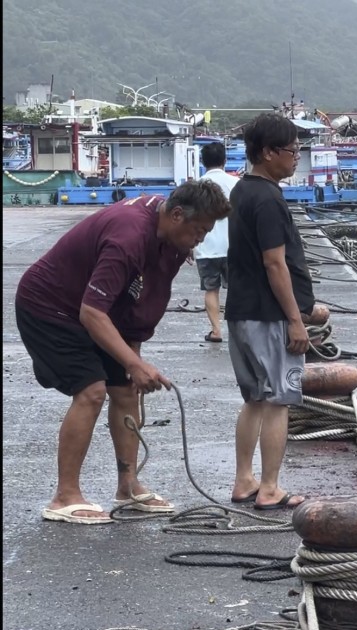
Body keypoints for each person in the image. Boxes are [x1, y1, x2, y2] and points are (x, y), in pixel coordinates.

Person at [15, 182, 232, 524]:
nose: (202, 239)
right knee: (91, 390)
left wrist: (134, 362)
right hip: (50, 306)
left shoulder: (173, 241)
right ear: (177, 215)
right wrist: (133, 362)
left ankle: (128, 486)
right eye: (200, 230)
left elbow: (143, 302)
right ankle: (64, 496)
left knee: (127, 390)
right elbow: (92, 312)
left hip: (97, 310)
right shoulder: (128, 236)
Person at [225, 113, 312, 510]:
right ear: (267, 153)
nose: (297, 158)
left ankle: (245, 479)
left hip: (241, 311)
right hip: (269, 315)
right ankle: (271, 487)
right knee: (279, 401)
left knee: (255, 400)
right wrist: (296, 319)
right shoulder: (269, 199)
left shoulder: (243, 191)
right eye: (292, 151)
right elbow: (275, 263)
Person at [195, 142, 239, 343]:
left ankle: (216, 331)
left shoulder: (196, 186)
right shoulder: (236, 184)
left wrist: (188, 246)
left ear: (203, 162)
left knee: (211, 290)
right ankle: (238, 331)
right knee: (237, 290)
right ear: (225, 160)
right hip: (234, 247)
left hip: (206, 248)